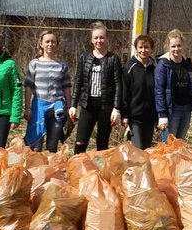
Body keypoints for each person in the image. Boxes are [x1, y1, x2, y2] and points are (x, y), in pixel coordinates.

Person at [70, 22, 123, 153]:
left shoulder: (113, 59)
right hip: (87, 105)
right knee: (80, 141)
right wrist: (73, 105)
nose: (99, 41)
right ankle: (77, 169)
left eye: (102, 37)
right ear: (91, 40)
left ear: (107, 39)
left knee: (102, 143)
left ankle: (100, 171)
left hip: (106, 106)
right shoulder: (84, 58)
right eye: (96, 38)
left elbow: (118, 84)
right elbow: (78, 83)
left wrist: (116, 108)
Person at [23, 30, 72, 152]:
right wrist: (27, 108)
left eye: (53, 42)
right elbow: (28, 86)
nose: (50, 44)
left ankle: (51, 170)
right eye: (47, 41)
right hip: (38, 107)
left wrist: (69, 107)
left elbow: (67, 87)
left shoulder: (62, 65)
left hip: (57, 108)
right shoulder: (34, 64)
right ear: (41, 44)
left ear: (57, 44)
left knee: (52, 145)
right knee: (35, 146)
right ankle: (35, 169)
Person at [155, 29, 192, 143]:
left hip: (186, 110)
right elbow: (159, 90)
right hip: (172, 111)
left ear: (183, 46)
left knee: (180, 144)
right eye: (173, 46)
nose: (176, 49)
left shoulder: (187, 63)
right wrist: (162, 114)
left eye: (179, 45)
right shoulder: (163, 64)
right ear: (168, 47)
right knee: (169, 144)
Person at [122, 34, 158, 149]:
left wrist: (158, 116)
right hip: (134, 118)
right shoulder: (129, 67)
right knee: (137, 150)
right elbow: (124, 93)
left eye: (146, 47)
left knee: (146, 150)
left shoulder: (155, 69)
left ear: (151, 49)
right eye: (140, 47)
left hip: (150, 118)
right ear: (136, 49)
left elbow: (157, 93)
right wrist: (125, 115)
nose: (143, 50)